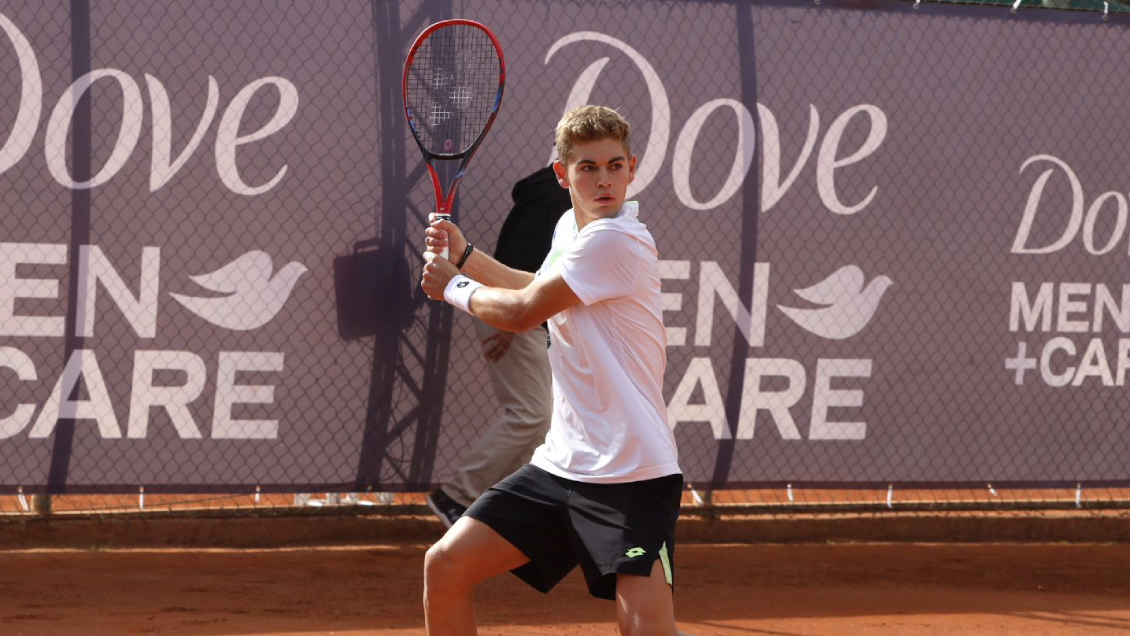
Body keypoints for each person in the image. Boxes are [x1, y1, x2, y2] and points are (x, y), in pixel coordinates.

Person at [420, 105, 687, 635]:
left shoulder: (617, 239)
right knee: (445, 565)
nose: (604, 179)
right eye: (588, 168)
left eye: (614, 165)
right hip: (562, 466)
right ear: (563, 175)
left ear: (632, 169)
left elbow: (523, 314)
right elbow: (532, 286)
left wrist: (453, 286)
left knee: (647, 632)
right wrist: (465, 252)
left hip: (632, 474)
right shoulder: (571, 226)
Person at [426, 165, 572, 527]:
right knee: (532, 415)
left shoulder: (569, 204)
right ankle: (456, 496)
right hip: (514, 314)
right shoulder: (552, 198)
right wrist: (507, 322)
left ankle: (516, 507)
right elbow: (518, 261)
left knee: (542, 422)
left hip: (532, 315)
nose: (603, 178)